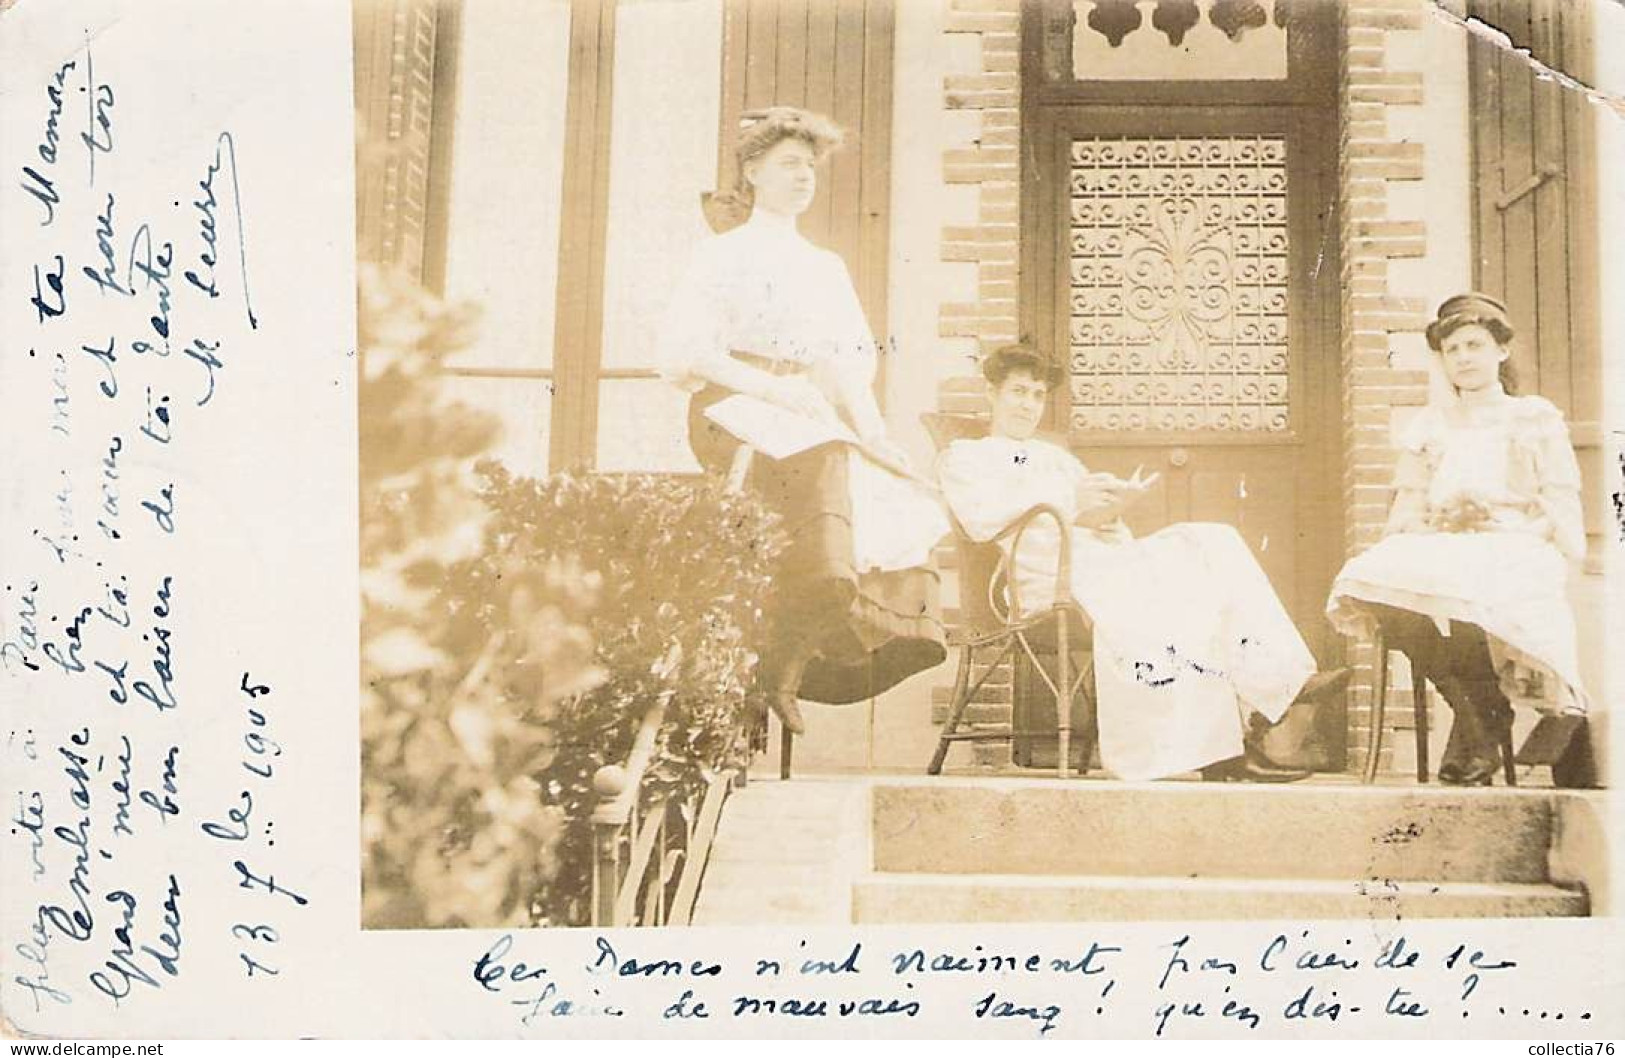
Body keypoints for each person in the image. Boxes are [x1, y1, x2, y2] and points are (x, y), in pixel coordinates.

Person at [658, 106, 948, 736]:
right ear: (754, 171)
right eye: (789, 164)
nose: (803, 177)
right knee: (822, 466)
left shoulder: (823, 267)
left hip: (803, 416)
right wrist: (771, 388)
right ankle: (767, 662)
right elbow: (688, 351)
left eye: (810, 168)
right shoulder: (722, 255)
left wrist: (877, 437)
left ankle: (787, 667)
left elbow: (844, 367)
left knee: (893, 495)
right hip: (730, 405)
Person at [936, 344, 1346, 783]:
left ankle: (1278, 687)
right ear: (991, 394)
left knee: (1213, 541)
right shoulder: (966, 457)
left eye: (1037, 395)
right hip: (1046, 578)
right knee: (1180, 589)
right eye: (1018, 391)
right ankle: (1256, 716)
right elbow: (982, 520)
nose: (1028, 404)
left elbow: (1095, 523)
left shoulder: (1060, 461)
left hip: (1101, 561)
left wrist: (1111, 514)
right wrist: (1073, 502)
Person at [1327, 293, 1588, 785]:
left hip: (1514, 538)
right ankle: (1479, 707)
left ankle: (1478, 722)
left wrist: (1526, 529)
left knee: (1473, 580)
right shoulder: (1429, 425)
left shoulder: (1532, 417)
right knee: (1366, 581)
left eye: (1475, 345)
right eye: (1452, 350)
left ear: (1501, 352)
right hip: (1443, 539)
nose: (1464, 358)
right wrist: (1422, 523)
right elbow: (1408, 504)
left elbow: (1558, 498)